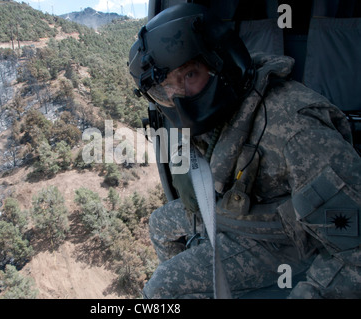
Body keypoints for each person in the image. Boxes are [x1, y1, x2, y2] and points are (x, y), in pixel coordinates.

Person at [128, 3, 361, 298]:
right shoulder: (227, 107)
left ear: (220, 62)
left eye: (189, 75)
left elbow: (355, 250)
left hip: (281, 240)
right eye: (165, 88)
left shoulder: (296, 132)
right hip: (236, 212)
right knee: (160, 224)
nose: (179, 96)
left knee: (161, 289)